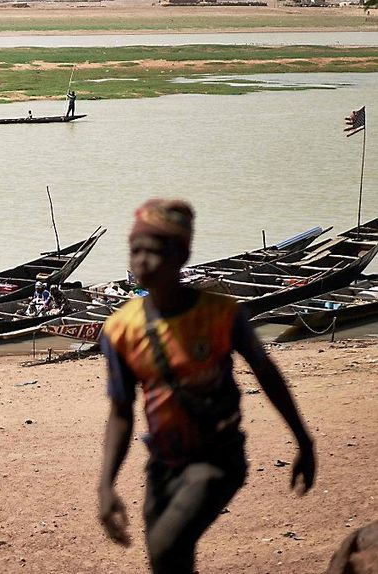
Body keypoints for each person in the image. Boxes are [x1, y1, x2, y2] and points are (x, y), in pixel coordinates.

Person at [97, 199, 316, 574]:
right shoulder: (120, 329)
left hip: (218, 458)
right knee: (168, 563)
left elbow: (267, 373)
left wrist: (304, 441)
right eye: (136, 250)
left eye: (155, 250)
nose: (142, 260)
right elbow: (121, 411)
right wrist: (106, 485)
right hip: (162, 464)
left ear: (181, 254)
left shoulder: (221, 314)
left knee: (167, 549)